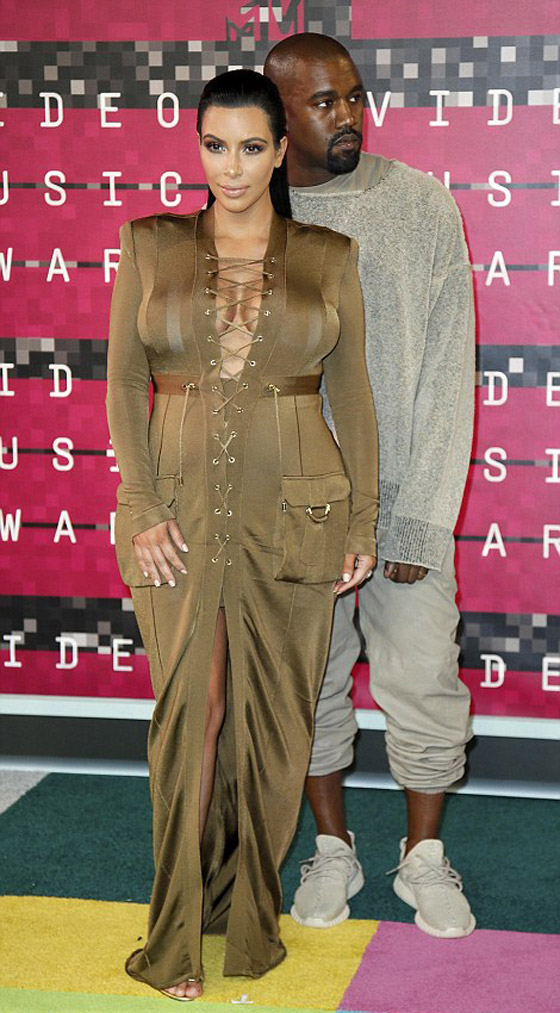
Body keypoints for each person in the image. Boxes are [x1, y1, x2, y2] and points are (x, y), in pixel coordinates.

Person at [105, 69, 378, 1001]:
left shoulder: (328, 255)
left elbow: (353, 395)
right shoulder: (148, 245)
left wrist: (363, 519)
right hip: (176, 516)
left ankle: (247, 917)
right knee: (196, 711)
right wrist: (140, 505)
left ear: (280, 151)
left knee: (275, 721)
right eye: (215, 146)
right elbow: (123, 383)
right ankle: (175, 936)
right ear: (198, 148)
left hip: (298, 512)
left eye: (252, 147)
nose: (231, 167)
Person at [264, 34, 476, 939]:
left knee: (424, 679)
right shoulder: (249, 213)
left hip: (402, 505)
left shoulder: (420, 203)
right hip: (297, 509)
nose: (349, 115)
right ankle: (333, 845)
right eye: (324, 102)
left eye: (354, 96)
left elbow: (448, 369)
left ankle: (422, 853)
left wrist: (420, 519)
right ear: (278, 118)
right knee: (308, 685)